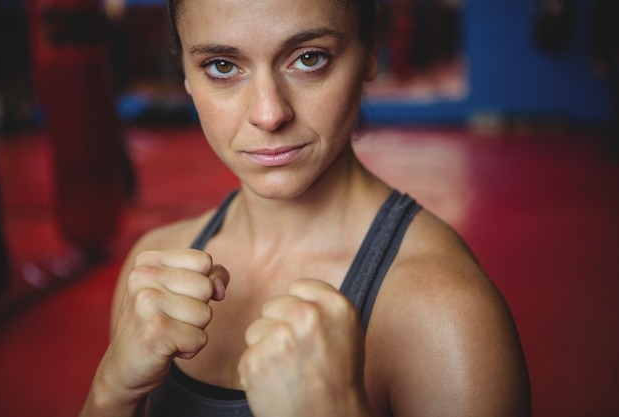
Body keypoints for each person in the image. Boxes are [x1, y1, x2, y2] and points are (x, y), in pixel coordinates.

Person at [80, 0, 531, 415]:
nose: (269, 113)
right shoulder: (153, 271)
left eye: (309, 58)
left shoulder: (446, 315)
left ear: (370, 52)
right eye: (222, 65)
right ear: (185, 73)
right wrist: (109, 392)